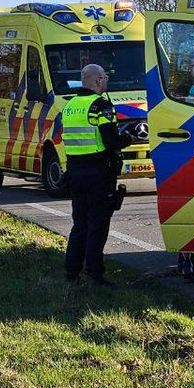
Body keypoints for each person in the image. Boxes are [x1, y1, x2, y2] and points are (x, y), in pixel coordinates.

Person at [62, 63, 134, 287]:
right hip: (98, 171)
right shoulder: (100, 105)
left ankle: (72, 271)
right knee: (98, 225)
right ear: (98, 80)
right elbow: (110, 140)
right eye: (104, 78)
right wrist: (127, 139)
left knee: (79, 224)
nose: (106, 81)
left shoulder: (70, 105)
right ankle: (95, 273)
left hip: (75, 171)